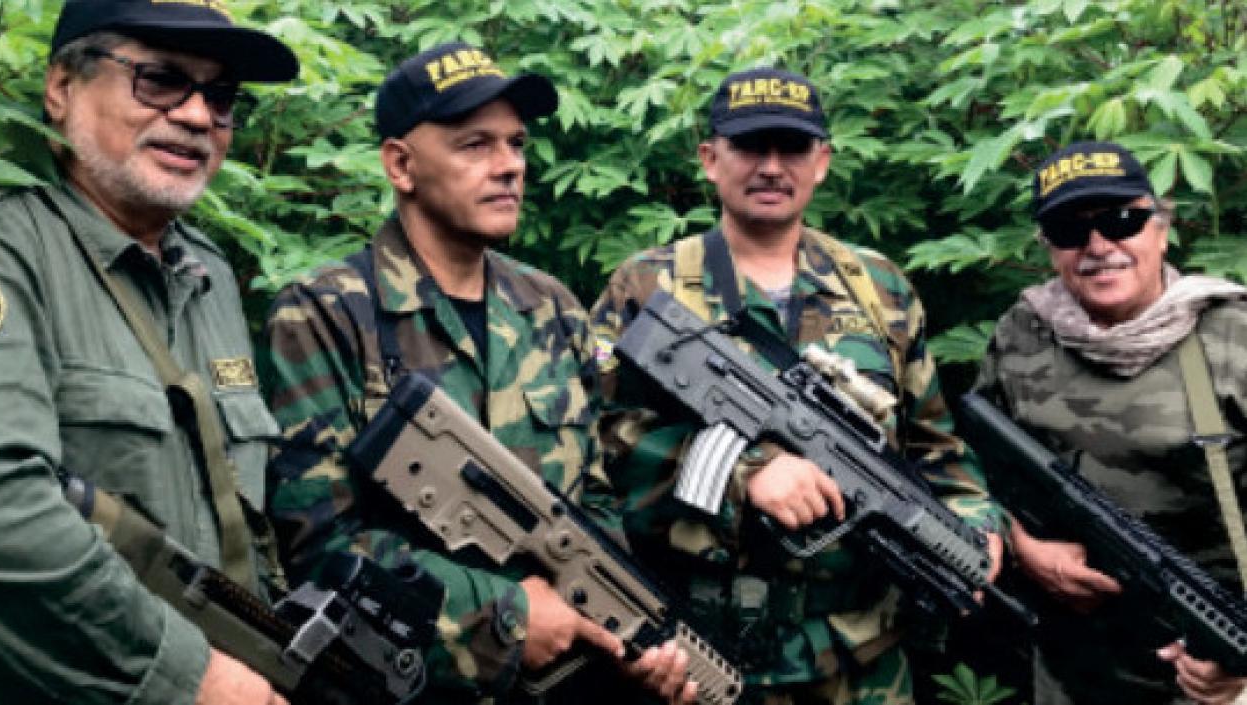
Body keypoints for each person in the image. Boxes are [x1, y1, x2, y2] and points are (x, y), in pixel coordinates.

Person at [264, 42, 692, 704]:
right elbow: (319, 544)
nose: (509, 167)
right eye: (475, 145)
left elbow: (596, 497)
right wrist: (507, 611)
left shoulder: (555, 308)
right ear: (400, 165)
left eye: (517, 144)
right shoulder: (326, 312)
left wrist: (625, 632)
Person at [590, 67, 1005, 704]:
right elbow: (593, 443)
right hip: (699, 657)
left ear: (823, 162)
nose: (772, 167)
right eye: (752, 147)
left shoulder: (880, 288)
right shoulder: (647, 286)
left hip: (860, 658)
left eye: (792, 148)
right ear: (710, 159)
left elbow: (937, 450)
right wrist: (743, 470)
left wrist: (976, 525)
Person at [0, 1, 298, 704]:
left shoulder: (211, 277)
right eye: (159, 79)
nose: (196, 116)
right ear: (63, 86)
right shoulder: (10, 256)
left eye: (220, 96)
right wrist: (191, 674)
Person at [975, 140, 1247, 705]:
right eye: (1072, 232)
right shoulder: (1022, 335)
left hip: (1212, 674)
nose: (1099, 247)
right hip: (1073, 675)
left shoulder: (1233, 339)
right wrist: (1025, 546)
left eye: (1121, 221)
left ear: (1160, 228)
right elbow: (972, 469)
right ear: (1050, 248)